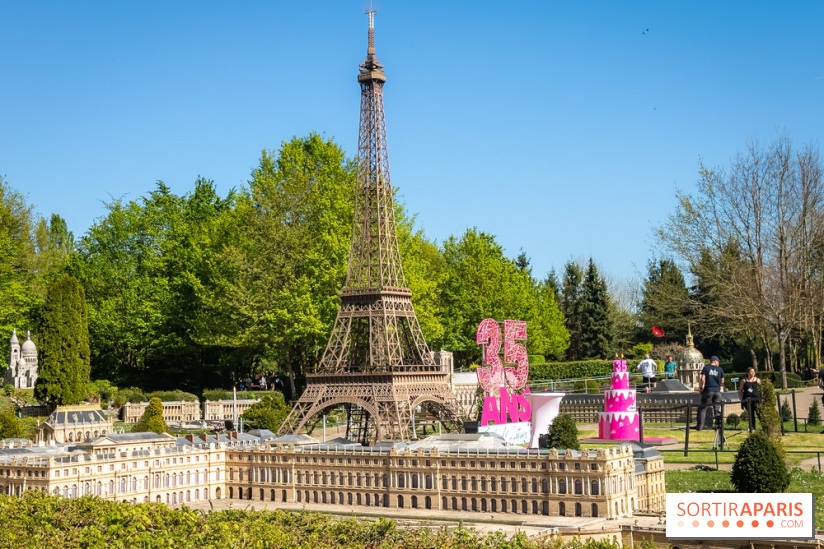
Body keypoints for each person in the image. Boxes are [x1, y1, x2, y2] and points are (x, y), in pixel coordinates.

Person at [696, 355, 725, 431]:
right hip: (717, 391)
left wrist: (701, 387)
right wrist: (718, 385)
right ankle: (718, 426)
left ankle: (700, 427)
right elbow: (722, 381)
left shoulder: (706, 368)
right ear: (715, 361)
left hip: (708, 390)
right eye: (718, 361)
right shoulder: (720, 369)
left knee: (703, 409)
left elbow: (702, 379)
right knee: (717, 409)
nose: (718, 363)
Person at [738, 367, 761, 431]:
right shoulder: (744, 380)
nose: (752, 373)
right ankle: (752, 427)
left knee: (759, 413)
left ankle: (764, 426)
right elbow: (740, 389)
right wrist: (740, 396)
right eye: (751, 372)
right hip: (747, 399)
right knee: (750, 414)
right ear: (748, 373)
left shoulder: (757, 380)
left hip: (756, 399)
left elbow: (761, 388)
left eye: (753, 372)